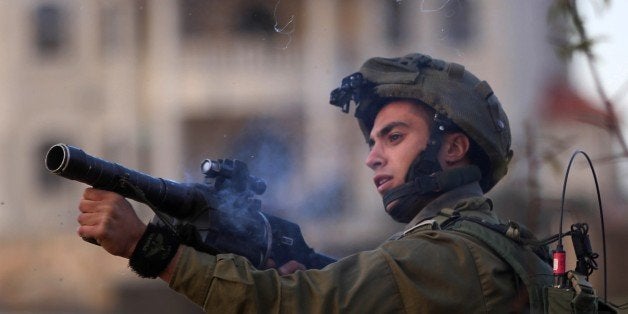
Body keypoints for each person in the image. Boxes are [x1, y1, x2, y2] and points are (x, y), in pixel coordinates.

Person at [76, 53, 553, 312]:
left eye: (395, 136)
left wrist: (147, 246)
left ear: (453, 148)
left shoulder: (446, 255)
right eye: (372, 140)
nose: (372, 157)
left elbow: (293, 305)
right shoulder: (478, 242)